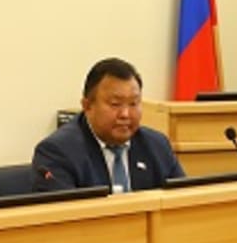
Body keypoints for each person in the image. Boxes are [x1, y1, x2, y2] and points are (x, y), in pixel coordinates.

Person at [32, 58, 184, 192]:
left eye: (133, 103)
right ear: (87, 106)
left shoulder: (157, 145)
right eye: (115, 104)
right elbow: (65, 213)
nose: (125, 114)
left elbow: (184, 201)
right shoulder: (59, 152)